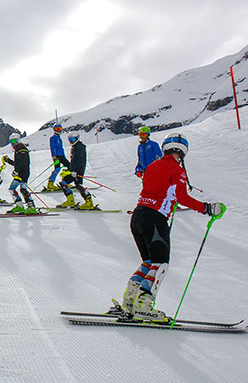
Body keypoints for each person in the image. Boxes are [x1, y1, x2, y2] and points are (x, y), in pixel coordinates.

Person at [115, 133, 224, 322]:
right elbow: (182, 197)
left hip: (138, 216)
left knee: (148, 262)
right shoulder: (177, 170)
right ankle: (144, 306)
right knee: (160, 264)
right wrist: (206, 208)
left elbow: (159, 190)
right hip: (155, 219)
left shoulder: (152, 166)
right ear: (182, 152)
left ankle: (130, 301)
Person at [56, 133, 96, 210]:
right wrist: (70, 169)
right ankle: (71, 201)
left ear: (77, 138)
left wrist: (75, 171)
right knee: (66, 183)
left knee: (77, 185)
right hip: (74, 171)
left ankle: (88, 202)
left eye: (73, 139)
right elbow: (74, 161)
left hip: (78, 171)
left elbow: (80, 161)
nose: (71, 141)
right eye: (70, 140)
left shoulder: (79, 147)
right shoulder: (75, 147)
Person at [4, 133, 36, 214]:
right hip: (19, 173)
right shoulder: (17, 149)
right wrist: (8, 161)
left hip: (24, 173)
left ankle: (31, 207)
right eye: (11, 141)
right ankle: (19, 206)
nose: (12, 143)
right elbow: (17, 163)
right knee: (12, 189)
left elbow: (24, 162)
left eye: (14, 141)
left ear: (18, 140)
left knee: (23, 189)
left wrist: (17, 171)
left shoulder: (21, 148)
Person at [45, 123, 66, 191]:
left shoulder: (59, 138)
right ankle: (50, 184)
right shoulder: (53, 138)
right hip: (57, 156)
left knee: (70, 167)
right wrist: (54, 156)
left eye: (60, 129)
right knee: (57, 169)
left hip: (62, 155)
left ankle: (65, 182)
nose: (59, 130)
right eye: (57, 129)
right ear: (54, 130)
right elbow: (52, 147)